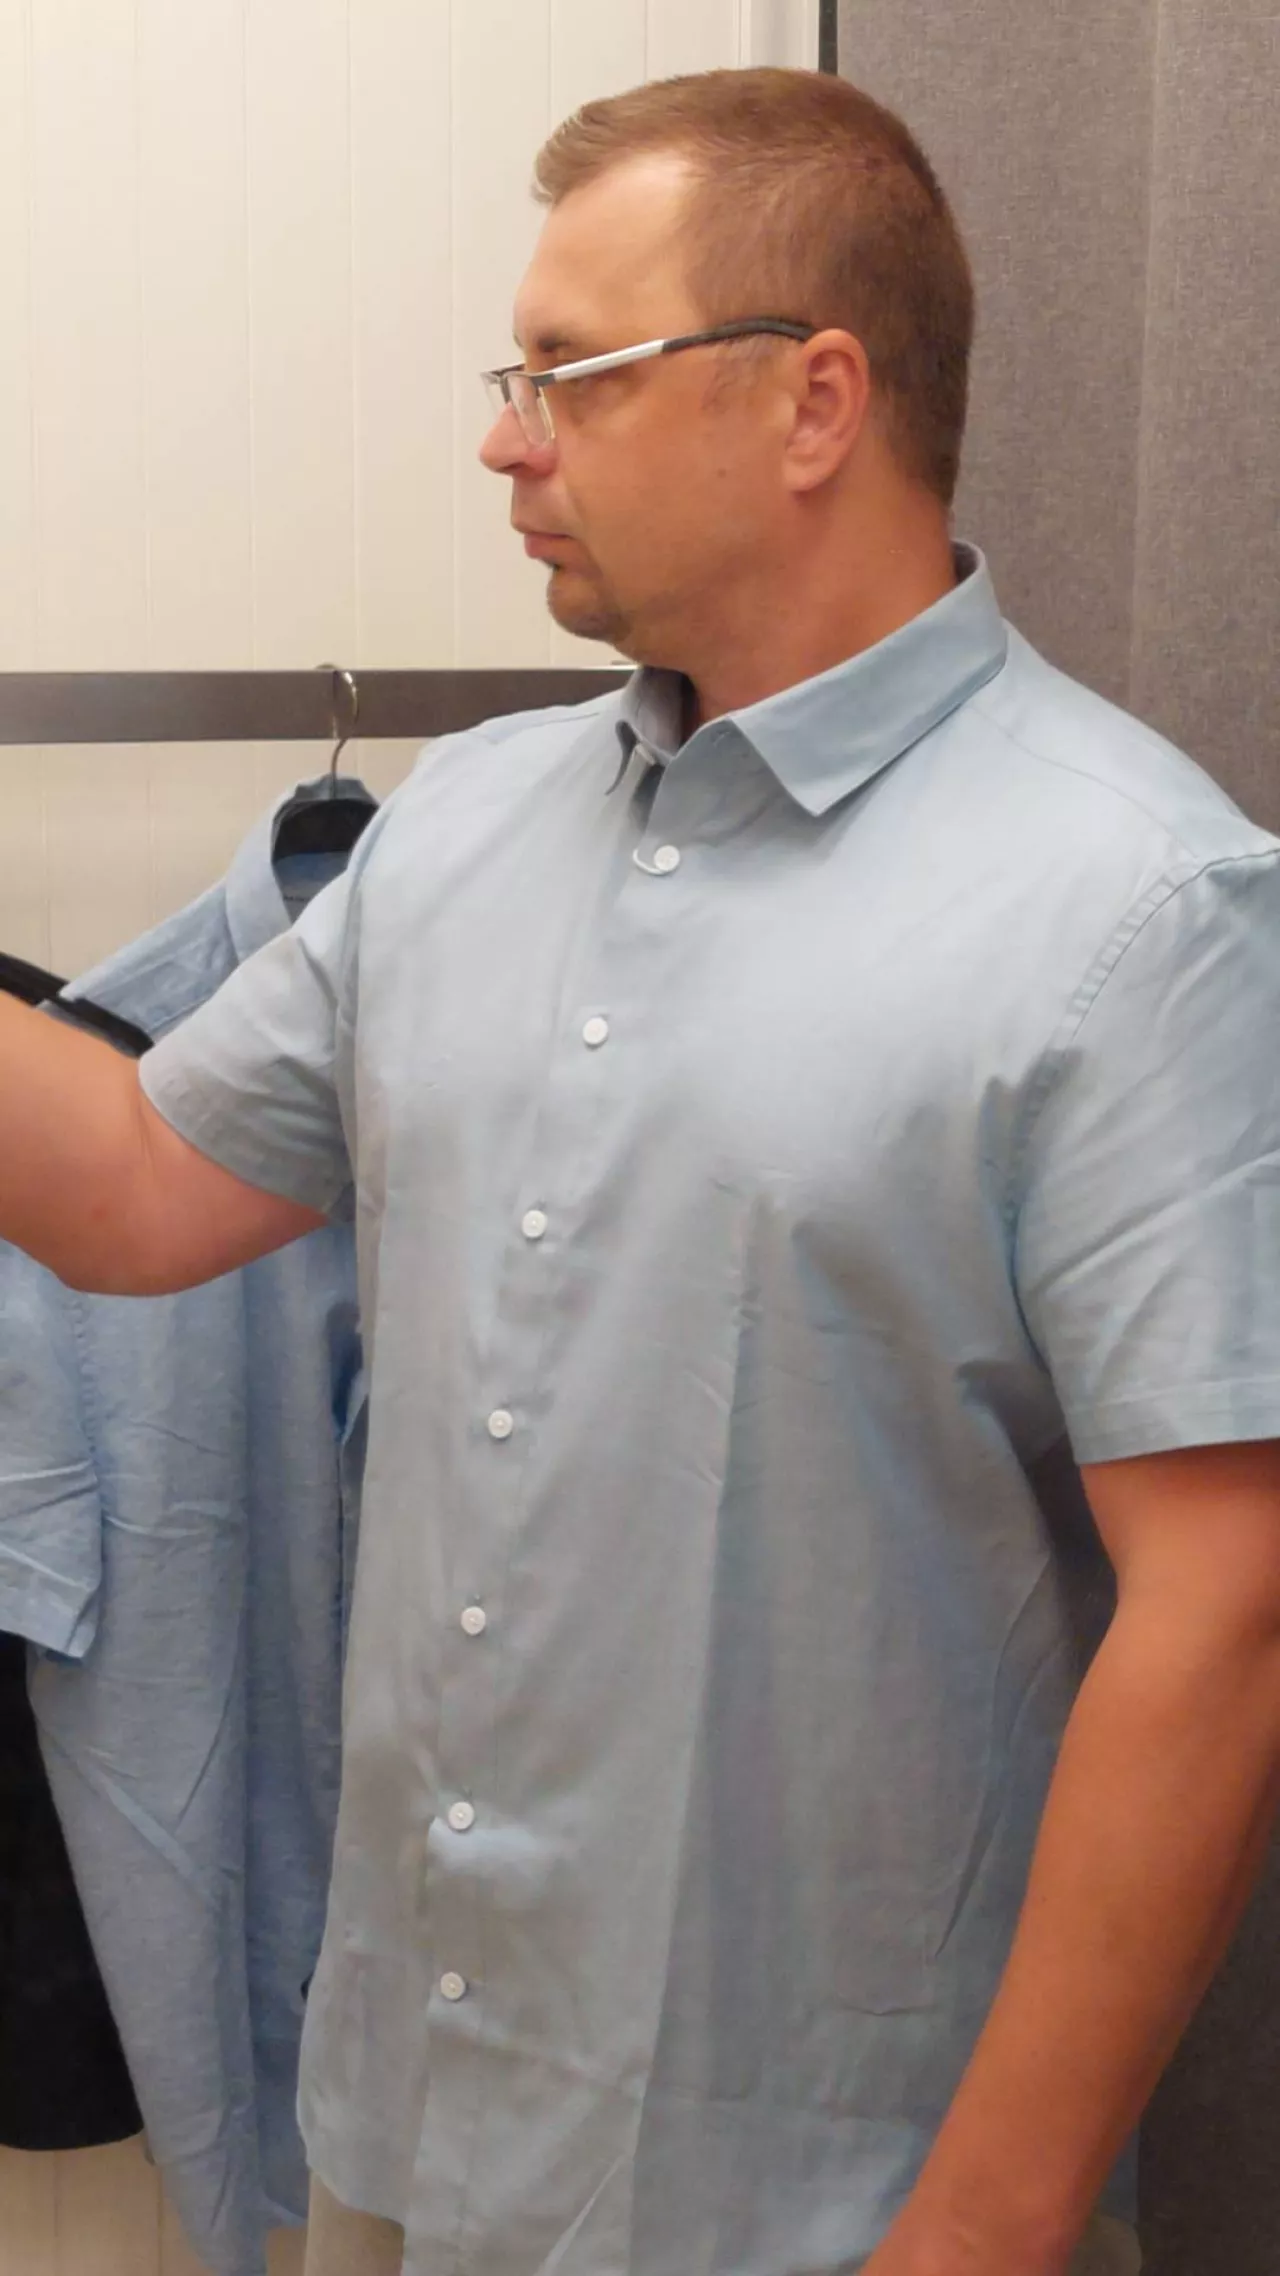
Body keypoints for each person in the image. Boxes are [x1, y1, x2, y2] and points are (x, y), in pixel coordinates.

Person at [3, 64, 1279, 2276]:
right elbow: (130, 1187)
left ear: (814, 400)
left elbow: (1227, 1608)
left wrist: (982, 2230)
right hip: (413, 2127)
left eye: (566, 372)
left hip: (822, 2199)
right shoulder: (468, 825)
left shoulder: (1141, 909)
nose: (506, 442)